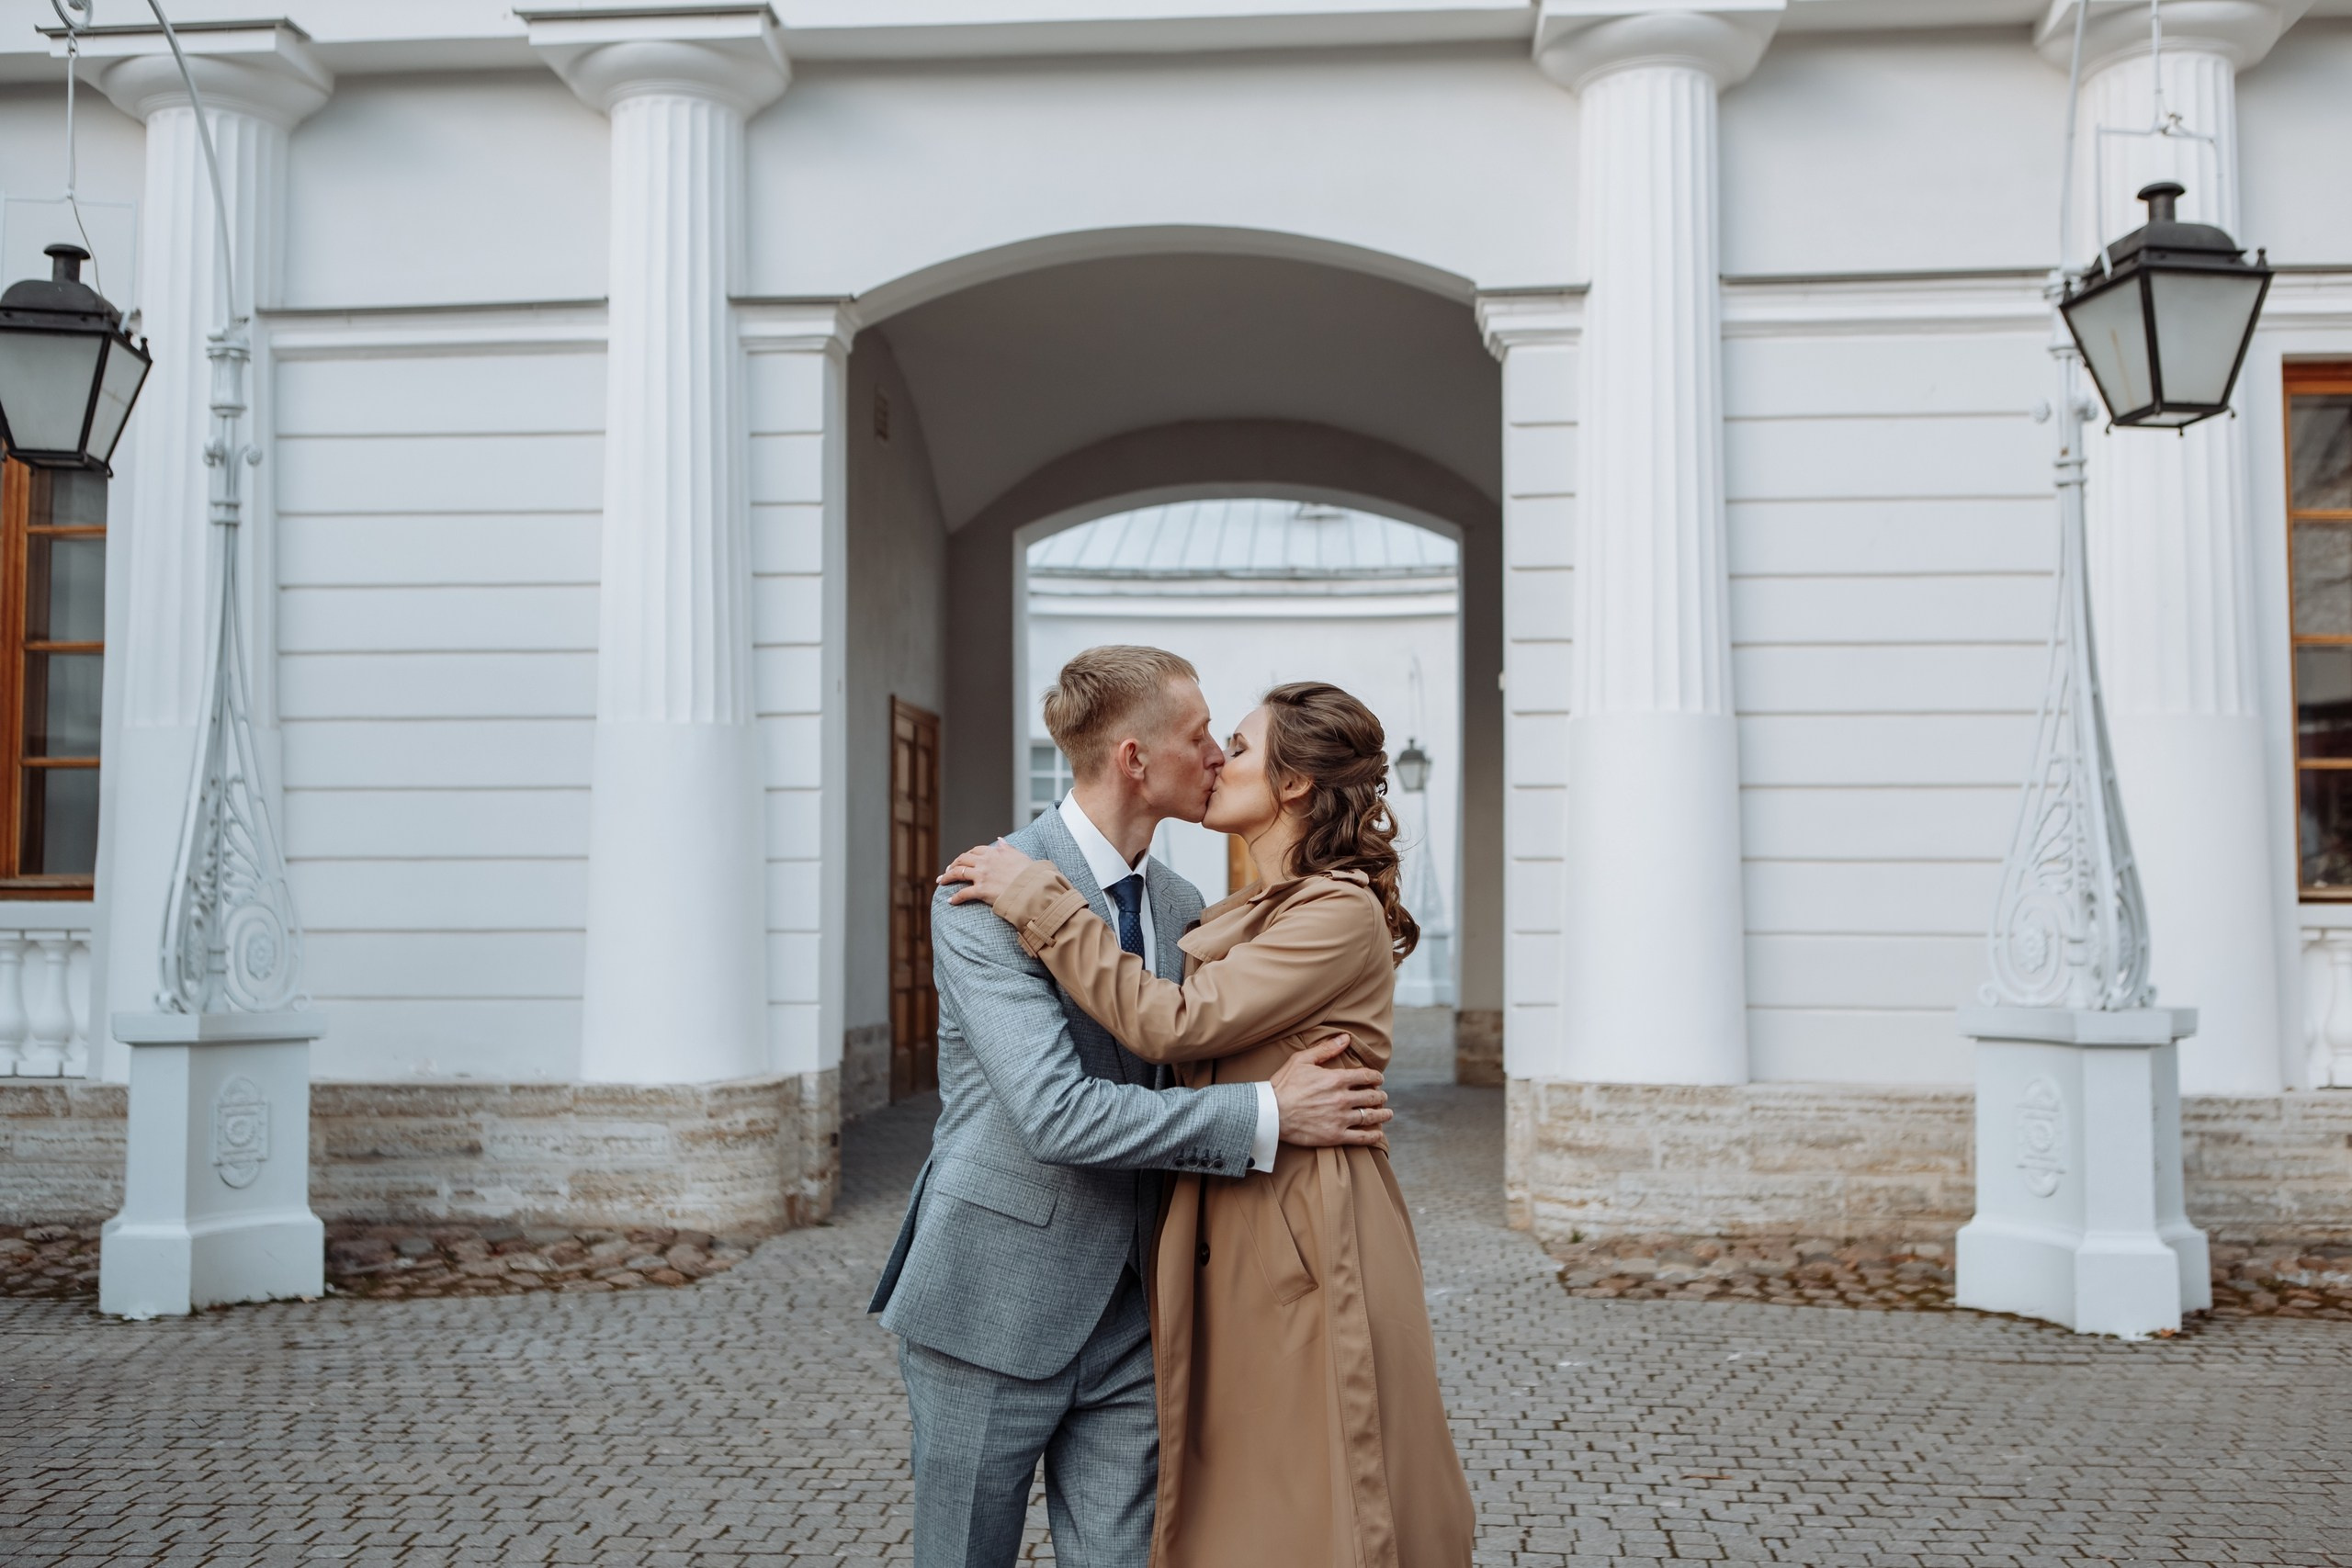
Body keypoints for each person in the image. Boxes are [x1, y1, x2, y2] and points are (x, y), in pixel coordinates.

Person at [869, 647, 1394, 1568]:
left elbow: (1179, 1041)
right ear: (1133, 759)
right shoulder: (983, 891)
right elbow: (1058, 1116)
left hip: (1139, 1317)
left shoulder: (1185, 902)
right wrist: (1267, 1115)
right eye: (1202, 739)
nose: (1217, 758)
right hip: (991, 1299)